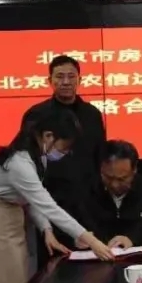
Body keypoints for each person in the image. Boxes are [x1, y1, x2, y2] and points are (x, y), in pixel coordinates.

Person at [0, 109, 113, 283]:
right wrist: (91, 241)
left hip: (13, 220)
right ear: (48, 136)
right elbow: (48, 205)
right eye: (63, 147)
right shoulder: (18, 162)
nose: (64, 153)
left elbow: (33, 199)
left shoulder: (38, 156)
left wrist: (46, 230)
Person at [23, 54, 106, 256]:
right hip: (51, 201)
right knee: (54, 264)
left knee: (93, 263)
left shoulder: (92, 114)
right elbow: (29, 158)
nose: (66, 82)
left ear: (80, 79)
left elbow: (100, 155)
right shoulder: (36, 114)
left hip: (89, 201)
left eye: (71, 76)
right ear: (49, 80)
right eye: (60, 76)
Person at [80, 140, 142, 248]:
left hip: (139, 256)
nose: (114, 185)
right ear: (100, 169)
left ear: (134, 170)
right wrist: (78, 239)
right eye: (108, 177)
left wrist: (133, 240)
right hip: (96, 256)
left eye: (122, 179)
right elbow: (70, 231)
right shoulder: (85, 191)